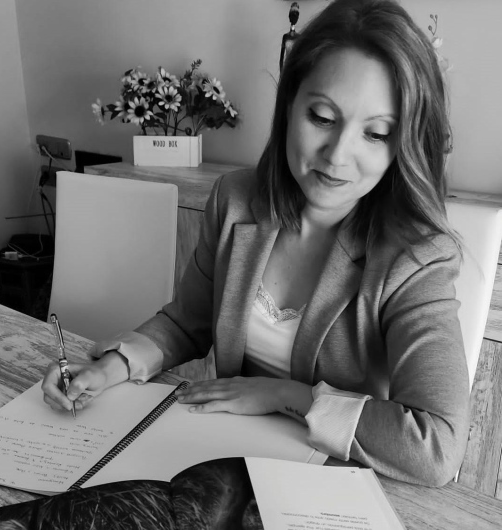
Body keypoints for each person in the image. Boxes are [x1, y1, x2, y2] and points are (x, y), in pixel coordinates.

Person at [42, 0, 470, 487]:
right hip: (218, 457)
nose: (337, 155)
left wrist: (284, 395)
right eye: (322, 118)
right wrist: (112, 367)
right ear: (289, 106)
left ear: (402, 144)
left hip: (329, 486)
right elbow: (186, 321)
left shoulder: (417, 257)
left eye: (375, 134)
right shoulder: (236, 199)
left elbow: (437, 446)